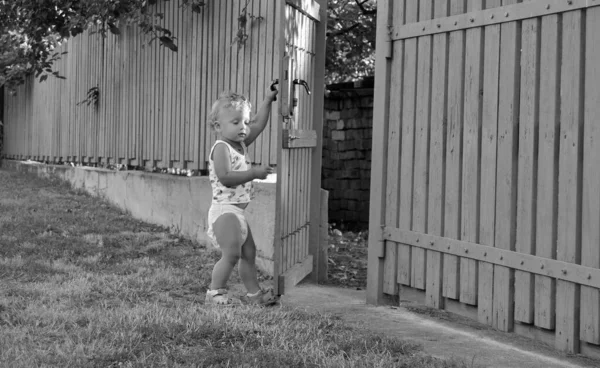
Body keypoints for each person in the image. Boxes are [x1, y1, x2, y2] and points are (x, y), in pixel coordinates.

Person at [205, 89, 279, 306]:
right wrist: (253, 173)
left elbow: (258, 124)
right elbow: (226, 177)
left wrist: (267, 100)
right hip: (224, 211)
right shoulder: (221, 148)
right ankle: (214, 293)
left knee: (249, 254)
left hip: (237, 212)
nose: (243, 127)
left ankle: (254, 295)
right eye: (236, 122)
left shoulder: (241, 143)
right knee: (231, 255)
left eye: (245, 122)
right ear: (219, 126)